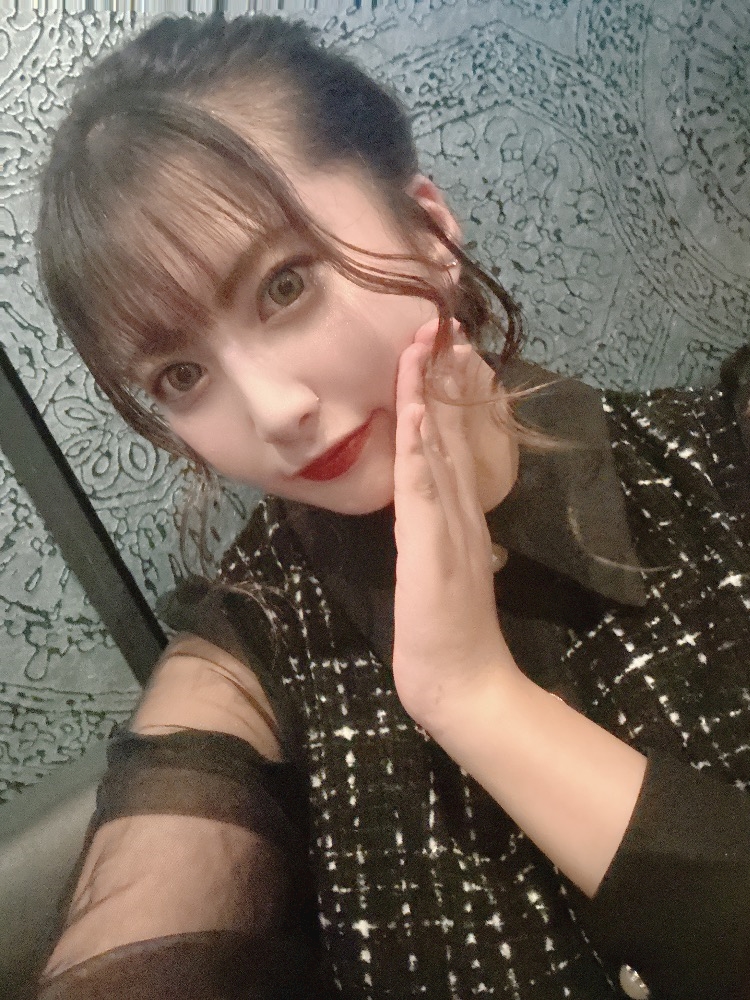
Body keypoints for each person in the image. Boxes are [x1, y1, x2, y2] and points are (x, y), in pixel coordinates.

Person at [33, 13, 749, 1000]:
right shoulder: (249, 648)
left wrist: (480, 700)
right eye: (182, 375)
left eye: (285, 285)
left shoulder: (721, 450)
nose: (273, 412)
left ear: (430, 229)